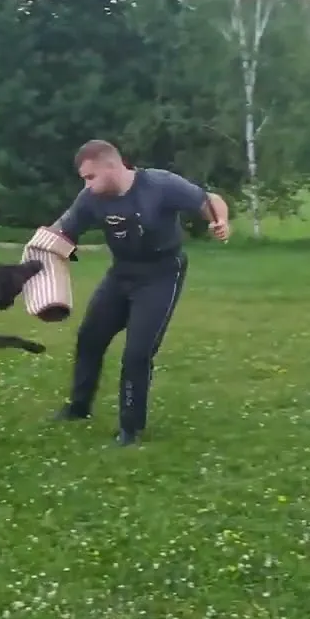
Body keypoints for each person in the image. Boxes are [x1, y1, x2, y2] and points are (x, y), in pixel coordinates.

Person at [48, 139, 230, 446]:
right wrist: (42, 247)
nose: (87, 185)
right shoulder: (90, 198)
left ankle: (130, 429)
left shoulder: (160, 184)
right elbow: (62, 231)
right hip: (122, 272)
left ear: (111, 165)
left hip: (161, 274)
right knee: (90, 337)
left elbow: (209, 200)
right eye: (84, 179)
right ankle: (79, 407)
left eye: (91, 177)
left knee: (137, 353)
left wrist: (220, 220)